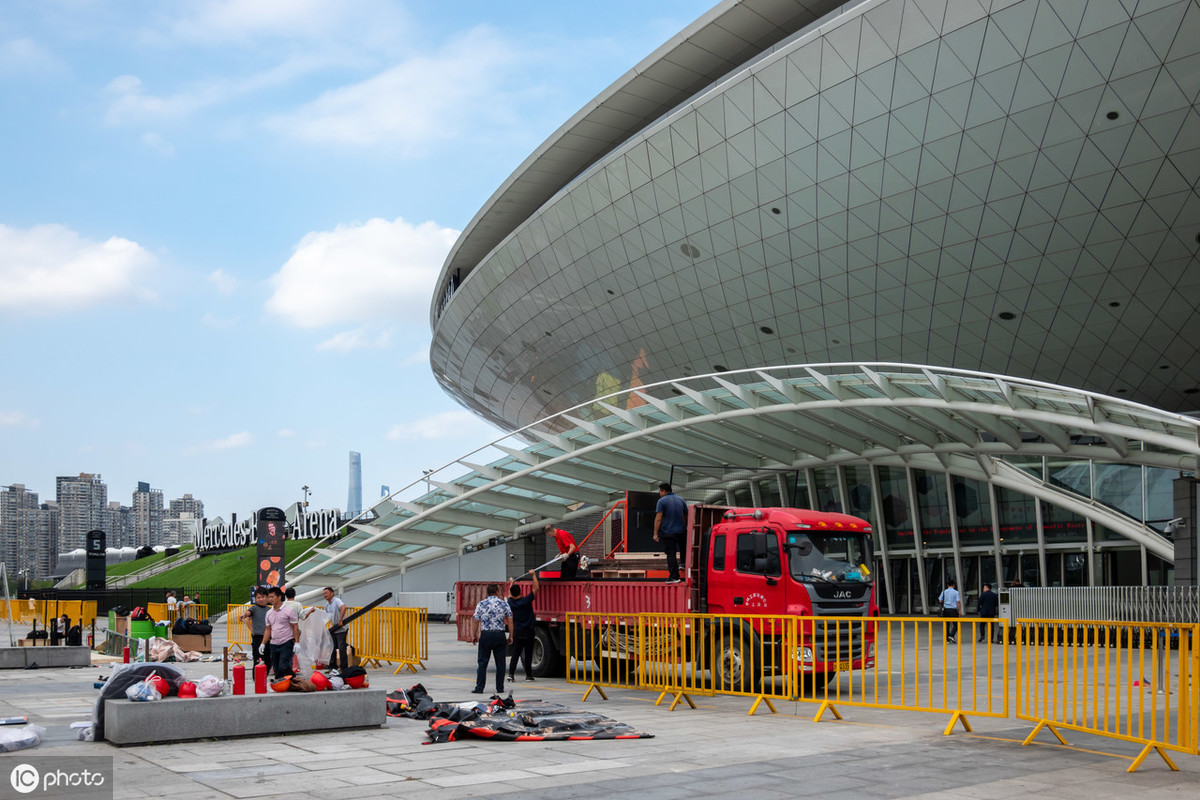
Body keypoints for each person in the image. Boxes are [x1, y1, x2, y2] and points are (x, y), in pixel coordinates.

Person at [471, 583, 512, 694]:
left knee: (482, 663)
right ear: (497, 592)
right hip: (499, 635)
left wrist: (474, 635)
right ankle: (500, 688)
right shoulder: (504, 604)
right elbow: (510, 620)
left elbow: (475, 620)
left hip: (486, 635)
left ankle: (479, 688)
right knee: (500, 663)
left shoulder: (481, 604)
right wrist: (511, 635)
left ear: (487, 593)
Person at [507, 571, 540, 683]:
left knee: (515, 654)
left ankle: (511, 674)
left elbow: (509, 595)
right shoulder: (526, 601)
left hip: (518, 632)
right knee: (528, 654)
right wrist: (533, 575)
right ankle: (529, 675)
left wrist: (511, 583)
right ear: (520, 592)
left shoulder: (511, 603)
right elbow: (536, 589)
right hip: (529, 631)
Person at [652, 482, 688, 583]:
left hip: (668, 532)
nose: (659, 493)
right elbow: (686, 515)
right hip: (681, 530)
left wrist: (655, 533)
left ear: (663, 491)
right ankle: (684, 564)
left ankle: (674, 577)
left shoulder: (662, 501)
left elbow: (658, 518)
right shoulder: (681, 500)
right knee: (683, 549)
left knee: (671, 554)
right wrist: (685, 526)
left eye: (660, 491)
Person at [262, 587, 299, 679]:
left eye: (272, 597)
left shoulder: (288, 610)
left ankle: (294, 678)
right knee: (277, 669)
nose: (270, 599)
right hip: (274, 643)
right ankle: (280, 684)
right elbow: (268, 629)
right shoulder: (269, 613)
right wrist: (263, 643)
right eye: (269, 597)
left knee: (283, 665)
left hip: (286, 642)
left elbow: (295, 626)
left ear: (279, 597)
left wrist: (297, 642)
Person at [241, 588, 270, 670]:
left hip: (268, 639)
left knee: (268, 661)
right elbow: (248, 613)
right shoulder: (254, 608)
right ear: (255, 599)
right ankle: (256, 680)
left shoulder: (270, 610)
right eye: (258, 597)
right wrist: (244, 614)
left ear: (267, 598)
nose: (261, 599)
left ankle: (264, 678)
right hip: (258, 638)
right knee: (258, 661)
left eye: (263, 597)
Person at [321, 586, 349, 672]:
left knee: (341, 648)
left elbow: (343, 607)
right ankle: (333, 667)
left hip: (341, 629)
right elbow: (325, 617)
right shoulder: (327, 605)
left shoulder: (336, 601)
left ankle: (344, 668)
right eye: (324, 594)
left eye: (326, 593)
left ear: (332, 593)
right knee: (331, 648)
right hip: (334, 629)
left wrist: (340, 619)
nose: (325, 595)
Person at [938, 579, 962, 644]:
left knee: (946, 625)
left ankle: (947, 640)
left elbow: (940, 600)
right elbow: (958, 602)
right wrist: (959, 610)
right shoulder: (956, 592)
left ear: (948, 585)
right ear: (954, 585)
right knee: (956, 624)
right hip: (953, 610)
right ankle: (951, 635)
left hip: (946, 610)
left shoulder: (944, 591)